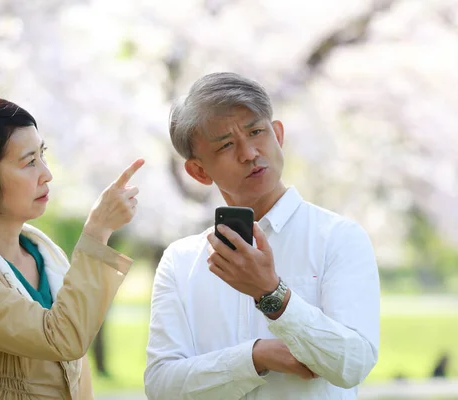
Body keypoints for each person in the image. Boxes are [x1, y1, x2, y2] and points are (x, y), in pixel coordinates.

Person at [144, 72, 380, 399]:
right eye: (226, 145)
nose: (249, 152)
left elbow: (354, 365)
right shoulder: (181, 260)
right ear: (199, 171)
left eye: (256, 132)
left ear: (278, 134)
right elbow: (160, 386)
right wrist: (254, 358)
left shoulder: (339, 238)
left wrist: (273, 295)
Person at [0, 93, 144, 400]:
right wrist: (97, 231)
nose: (47, 174)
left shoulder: (45, 254)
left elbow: (79, 378)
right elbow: (64, 338)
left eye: (43, 155)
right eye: (29, 162)